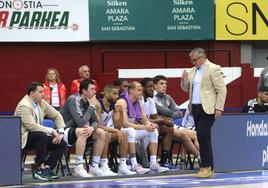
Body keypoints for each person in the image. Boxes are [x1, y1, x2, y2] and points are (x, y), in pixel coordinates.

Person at [181, 47, 227, 178]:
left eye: (194, 60)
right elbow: (185, 89)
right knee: (205, 137)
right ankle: (210, 167)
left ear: (202, 57)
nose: (193, 62)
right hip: (195, 107)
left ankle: (205, 166)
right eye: (191, 60)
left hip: (208, 107)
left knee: (201, 135)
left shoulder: (213, 68)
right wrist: (183, 79)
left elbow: (222, 90)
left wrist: (219, 108)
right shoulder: (192, 71)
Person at [60, 79, 116, 177]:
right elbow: (81, 122)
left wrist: (92, 128)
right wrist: (91, 108)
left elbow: (95, 121)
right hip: (63, 130)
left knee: (101, 132)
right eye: (92, 89)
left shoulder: (89, 102)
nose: (95, 91)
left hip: (80, 129)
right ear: (84, 91)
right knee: (84, 131)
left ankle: (93, 167)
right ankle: (78, 167)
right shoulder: (74, 99)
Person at [14, 82, 67, 181]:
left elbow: (57, 115)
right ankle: (40, 167)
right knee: (41, 135)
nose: (43, 94)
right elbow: (32, 126)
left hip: (38, 137)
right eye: (40, 92)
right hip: (24, 138)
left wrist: (60, 132)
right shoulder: (24, 105)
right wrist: (52, 131)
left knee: (62, 143)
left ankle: (46, 167)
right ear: (32, 93)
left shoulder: (41, 102)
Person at [115, 81, 169, 174]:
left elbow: (144, 119)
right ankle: (134, 164)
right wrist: (145, 127)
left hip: (131, 130)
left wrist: (150, 125)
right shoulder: (122, 101)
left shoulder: (139, 102)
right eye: (139, 90)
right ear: (131, 91)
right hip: (118, 130)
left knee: (153, 131)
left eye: (141, 90)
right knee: (131, 130)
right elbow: (125, 124)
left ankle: (153, 163)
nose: (141, 92)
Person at [152, 76, 200, 160]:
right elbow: (165, 111)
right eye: (161, 83)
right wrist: (169, 113)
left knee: (197, 134)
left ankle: (205, 159)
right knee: (184, 135)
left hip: (171, 125)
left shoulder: (168, 97)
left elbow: (179, 113)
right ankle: (202, 159)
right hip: (161, 128)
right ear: (155, 86)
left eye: (165, 84)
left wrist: (167, 114)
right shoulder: (153, 98)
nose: (164, 86)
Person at [97, 84, 136, 175]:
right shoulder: (98, 105)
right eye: (114, 94)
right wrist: (115, 131)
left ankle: (122, 166)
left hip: (106, 131)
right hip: (96, 132)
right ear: (106, 94)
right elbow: (97, 126)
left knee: (124, 134)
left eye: (117, 94)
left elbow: (117, 126)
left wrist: (122, 113)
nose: (117, 96)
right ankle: (104, 165)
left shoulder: (113, 106)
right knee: (105, 133)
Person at [140, 78, 177, 169]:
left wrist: (164, 119)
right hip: (138, 125)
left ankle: (164, 161)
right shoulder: (139, 99)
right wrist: (162, 121)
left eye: (153, 86)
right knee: (155, 127)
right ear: (143, 88)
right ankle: (145, 159)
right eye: (149, 86)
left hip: (147, 125)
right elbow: (142, 119)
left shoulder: (151, 99)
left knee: (168, 129)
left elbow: (154, 117)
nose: (152, 89)